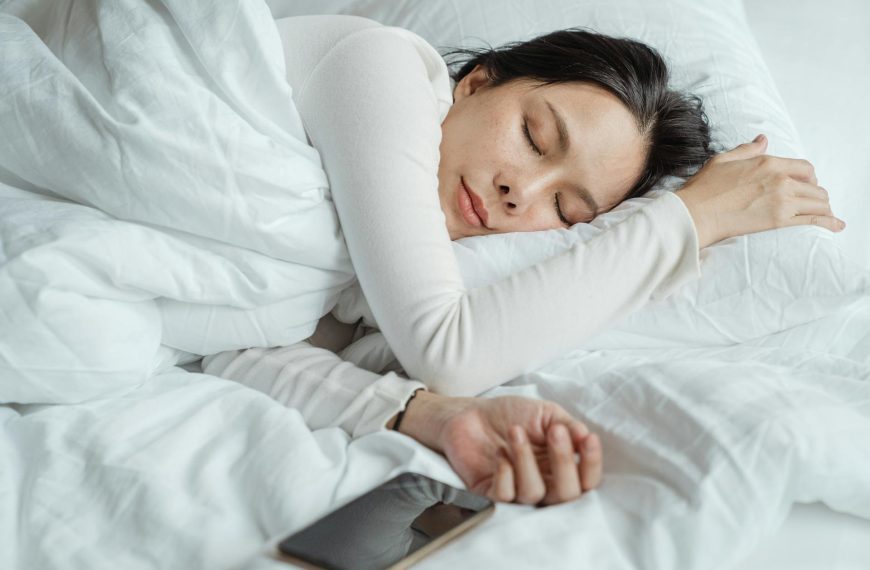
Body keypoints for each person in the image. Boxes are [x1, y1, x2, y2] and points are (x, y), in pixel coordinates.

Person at [203, 15, 843, 506]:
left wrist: (430, 416)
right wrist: (692, 219)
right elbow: (448, 351)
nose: (521, 193)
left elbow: (228, 348)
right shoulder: (378, 65)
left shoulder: (351, 276)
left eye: (565, 211)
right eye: (535, 137)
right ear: (476, 83)